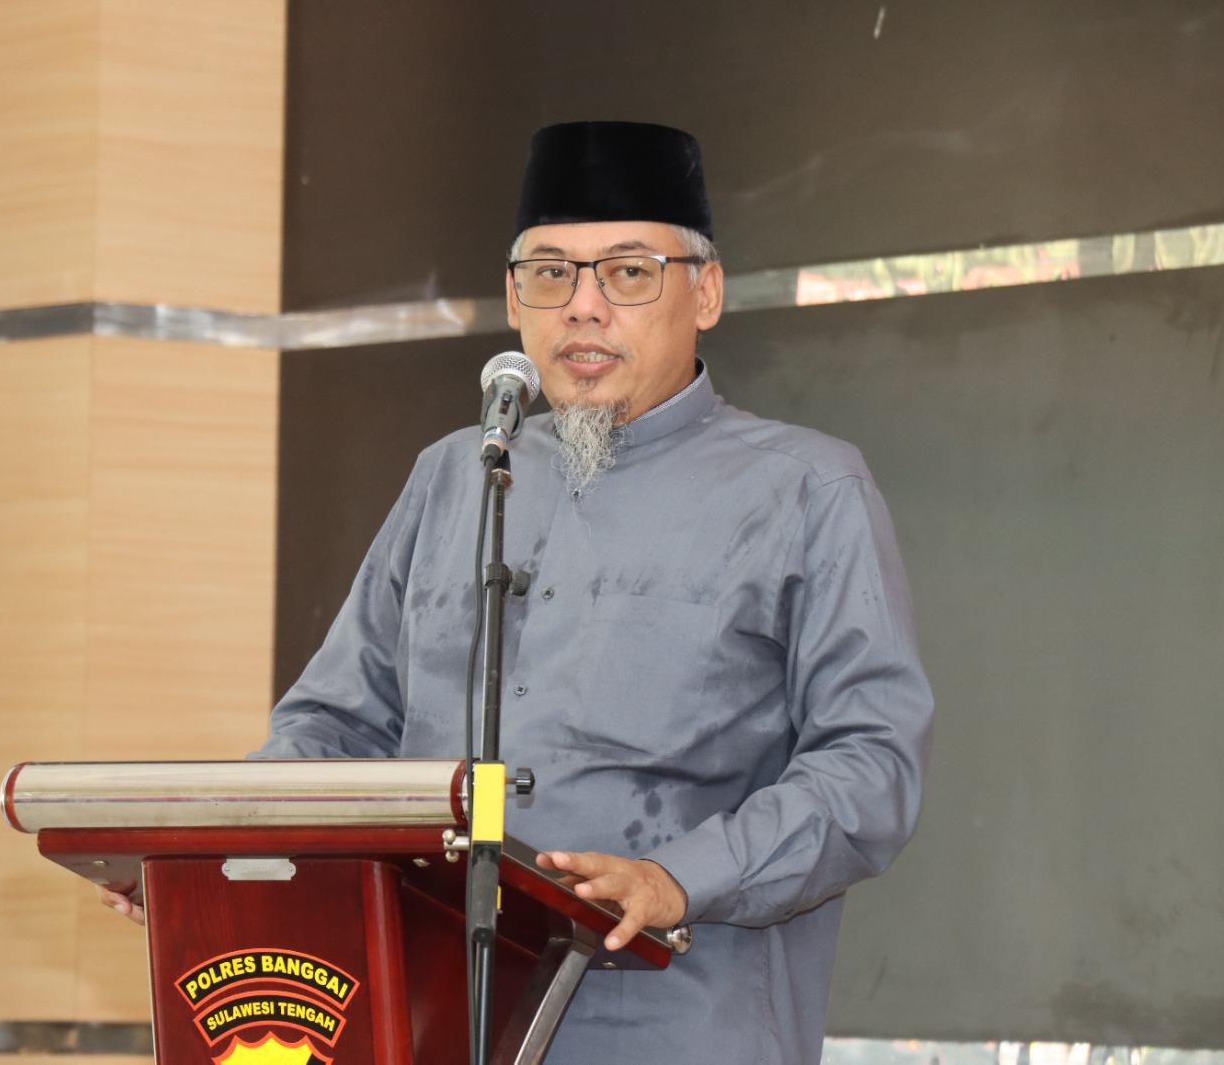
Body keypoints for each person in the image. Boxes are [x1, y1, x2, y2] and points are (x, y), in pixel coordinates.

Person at [104, 121, 933, 1065]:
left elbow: (871, 764)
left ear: (704, 293)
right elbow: (336, 725)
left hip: (676, 1013)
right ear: (512, 298)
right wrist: (212, 853)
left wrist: (678, 876)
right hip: (427, 1015)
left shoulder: (807, 488)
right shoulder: (454, 476)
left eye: (627, 273)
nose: (583, 308)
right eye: (550, 274)